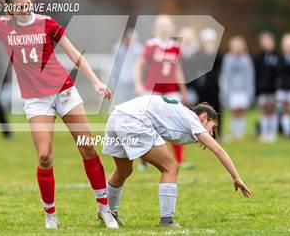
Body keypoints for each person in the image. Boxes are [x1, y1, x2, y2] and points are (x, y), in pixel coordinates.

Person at [0, 0, 118, 229]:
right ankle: (50, 215)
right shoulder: (2, 27)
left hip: (64, 91)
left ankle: (104, 210)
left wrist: (95, 81)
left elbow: (74, 55)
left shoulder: (47, 23)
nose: (26, 9)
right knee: (45, 157)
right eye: (20, 6)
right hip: (36, 100)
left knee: (87, 148)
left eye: (28, 4)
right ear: (10, 8)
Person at [102, 95, 251, 227]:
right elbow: (219, 150)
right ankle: (167, 220)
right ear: (204, 117)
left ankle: (108, 212)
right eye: (212, 128)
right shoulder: (194, 120)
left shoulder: (182, 113)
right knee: (171, 167)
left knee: (124, 170)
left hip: (117, 115)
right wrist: (236, 177)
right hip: (134, 119)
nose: (211, 134)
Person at [134, 15, 190, 170]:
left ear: (172, 28)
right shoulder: (150, 45)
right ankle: (143, 160)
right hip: (152, 90)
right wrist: (138, 84)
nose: (164, 28)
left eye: (167, 25)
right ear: (155, 28)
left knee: (176, 124)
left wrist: (183, 89)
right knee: (147, 125)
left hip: (171, 91)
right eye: (161, 25)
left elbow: (177, 70)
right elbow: (138, 65)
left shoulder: (176, 46)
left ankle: (179, 160)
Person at [220, 36, 255, 141]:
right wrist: (225, 90)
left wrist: (250, 91)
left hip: (243, 90)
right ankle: (234, 133)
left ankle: (240, 133)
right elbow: (225, 75)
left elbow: (249, 76)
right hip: (232, 90)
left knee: (242, 111)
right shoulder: (228, 59)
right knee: (234, 112)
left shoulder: (246, 59)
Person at [192, 28, 223, 138]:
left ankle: (218, 132)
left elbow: (218, 65)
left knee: (216, 109)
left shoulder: (217, 54)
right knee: (202, 110)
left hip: (214, 87)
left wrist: (212, 53)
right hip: (201, 87)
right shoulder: (198, 54)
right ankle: (201, 132)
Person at [254, 32, 279, 143]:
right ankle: (264, 133)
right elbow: (256, 73)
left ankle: (272, 133)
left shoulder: (277, 55)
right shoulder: (259, 56)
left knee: (272, 109)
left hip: (274, 88)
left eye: (268, 40)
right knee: (264, 110)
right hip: (262, 88)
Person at [275, 33, 290, 137]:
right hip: (283, 87)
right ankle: (288, 131)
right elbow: (279, 70)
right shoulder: (281, 57)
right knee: (285, 110)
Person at [110, 28, 141, 106]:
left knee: (134, 103)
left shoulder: (138, 49)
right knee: (121, 103)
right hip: (121, 81)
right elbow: (115, 66)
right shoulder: (117, 48)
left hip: (134, 81)